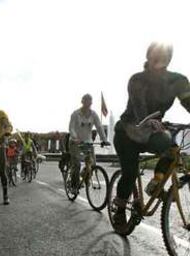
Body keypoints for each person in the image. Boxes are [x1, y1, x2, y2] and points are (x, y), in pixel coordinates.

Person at [112, 42, 190, 227]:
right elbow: (139, 107)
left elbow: (188, 101)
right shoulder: (137, 80)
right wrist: (148, 120)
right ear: (148, 57)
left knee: (172, 149)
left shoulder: (177, 81)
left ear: (169, 59)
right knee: (130, 173)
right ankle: (120, 208)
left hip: (151, 130)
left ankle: (155, 182)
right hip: (127, 133)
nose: (160, 60)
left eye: (165, 56)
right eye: (156, 55)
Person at [68, 93, 109, 188]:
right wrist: (75, 137)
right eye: (86, 101)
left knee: (92, 164)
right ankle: (74, 185)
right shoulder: (75, 114)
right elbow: (71, 128)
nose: (88, 104)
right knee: (77, 164)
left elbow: (99, 127)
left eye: (90, 101)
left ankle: (84, 175)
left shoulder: (93, 114)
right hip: (75, 142)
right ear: (82, 102)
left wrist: (104, 139)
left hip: (87, 142)